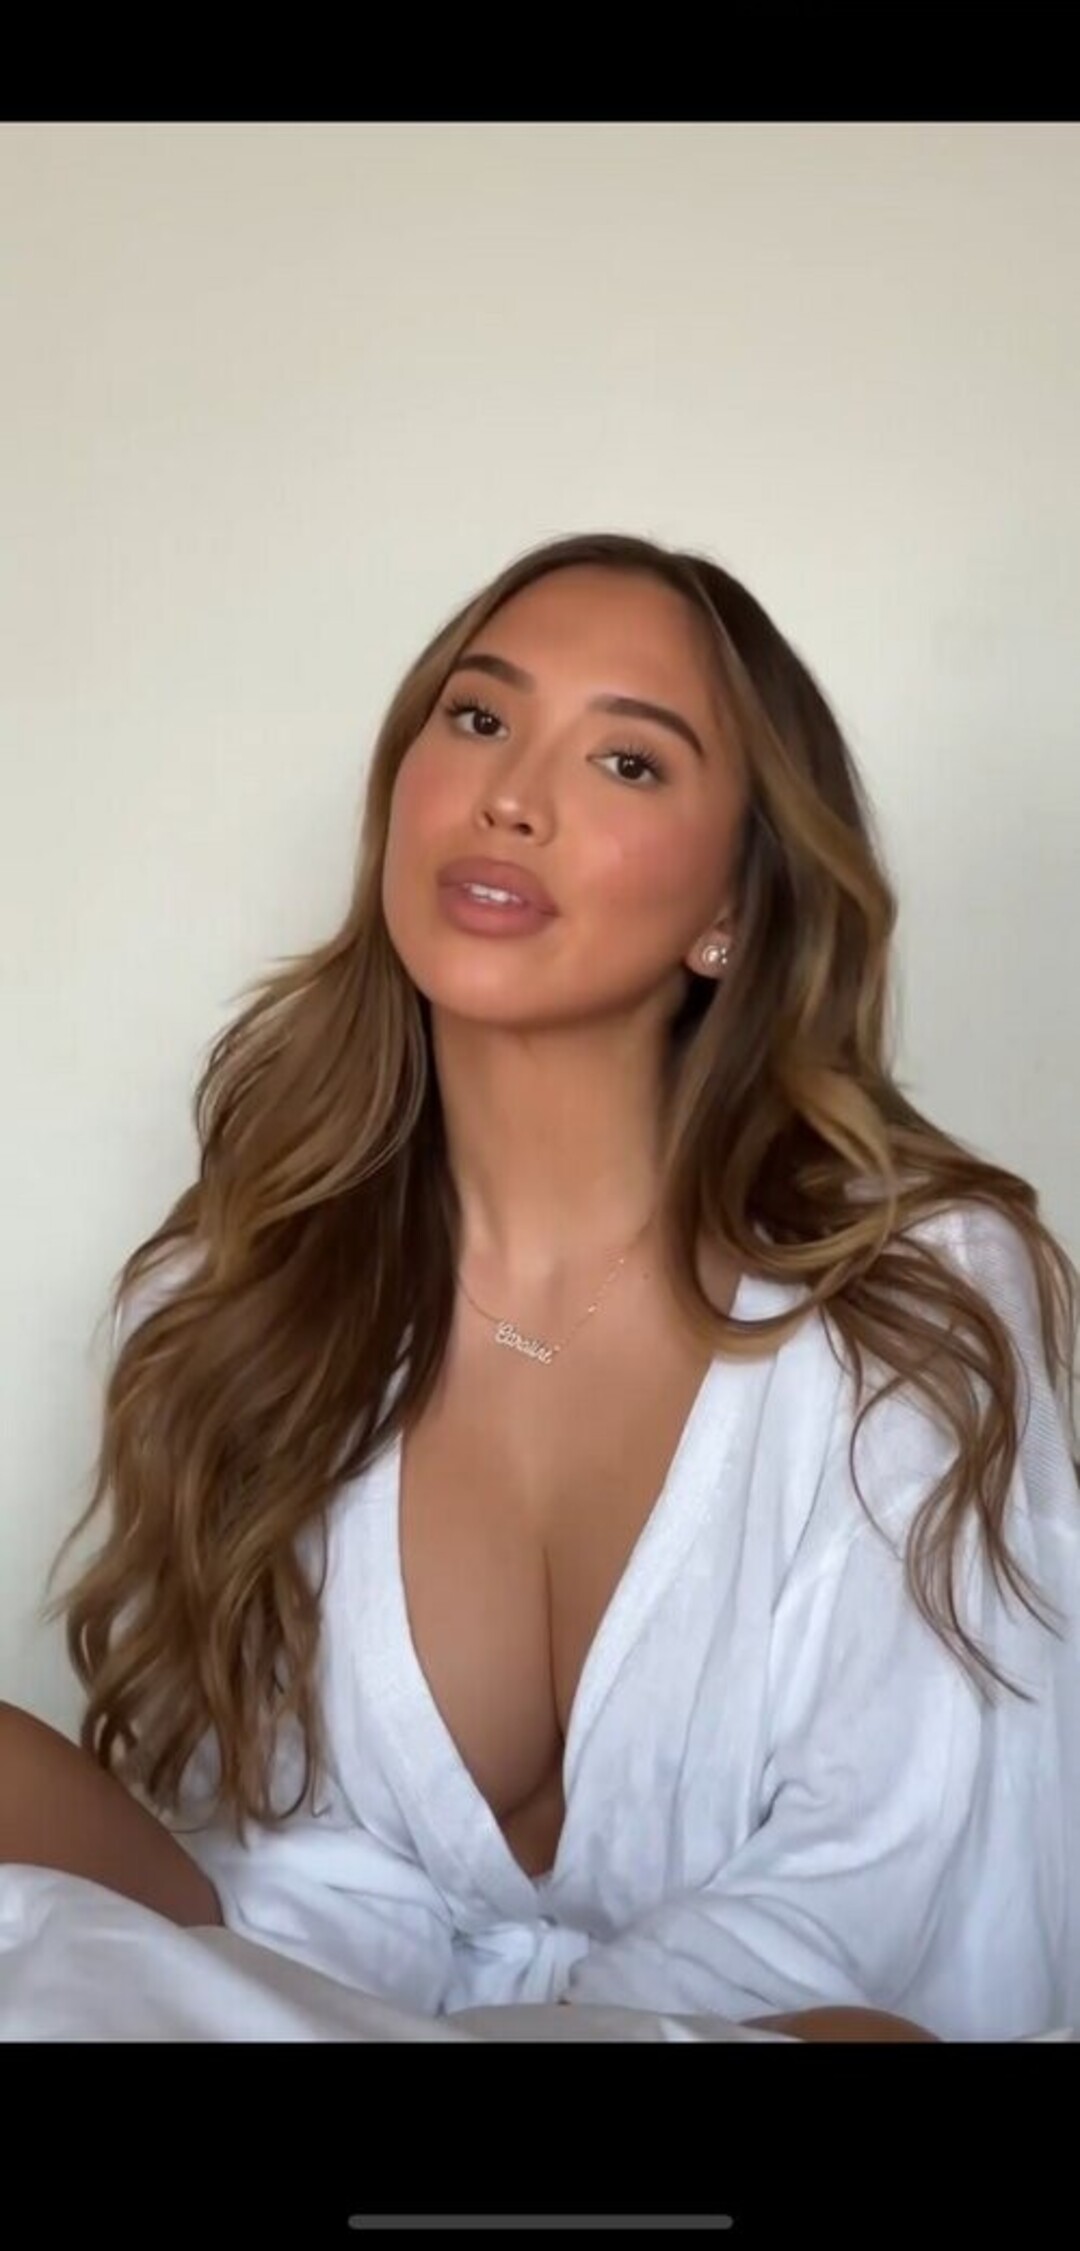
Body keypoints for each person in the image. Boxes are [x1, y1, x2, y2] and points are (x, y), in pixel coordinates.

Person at [1, 531, 1077, 2045]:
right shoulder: (240, 1284)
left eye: (628, 762)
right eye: (479, 716)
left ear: (730, 912)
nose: (510, 795)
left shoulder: (911, 1300)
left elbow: (884, 1897)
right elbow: (269, 1893)